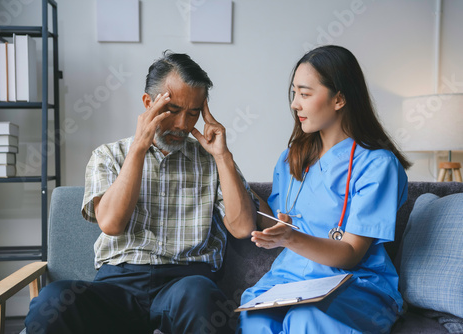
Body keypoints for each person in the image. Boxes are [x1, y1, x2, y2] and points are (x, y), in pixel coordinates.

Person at [25, 51, 257, 334]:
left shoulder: (212, 159)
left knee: (199, 294)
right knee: (52, 300)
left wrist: (223, 157)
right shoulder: (109, 155)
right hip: (117, 284)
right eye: (173, 110)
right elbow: (111, 223)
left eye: (193, 112)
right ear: (149, 103)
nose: (184, 125)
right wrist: (138, 148)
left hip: (185, 285)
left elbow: (243, 227)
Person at [237, 45, 412, 334]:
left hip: (354, 283)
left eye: (305, 94)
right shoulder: (292, 156)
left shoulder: (378, 165)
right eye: (294, 93)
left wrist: (291, 237)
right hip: (288, 279)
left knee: (305, 318)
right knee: (256, 320)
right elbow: (277, 223)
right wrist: (228, 168)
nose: (295, 104)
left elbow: (351, 254)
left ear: (339, 99)